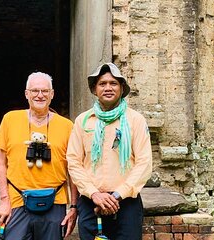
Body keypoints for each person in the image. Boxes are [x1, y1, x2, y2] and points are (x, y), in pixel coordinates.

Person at [66, 62, 152, 240]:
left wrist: (117, 196)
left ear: (122, 88)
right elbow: (74, 162)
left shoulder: (135, 120)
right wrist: (94, 193)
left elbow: (144, 164)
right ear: (94, 89)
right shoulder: (83, 121)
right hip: (91, 202)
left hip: (126, 203)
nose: (108, 88)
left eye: (113, 83)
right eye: (102, 84)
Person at [0, 71, 79, 240]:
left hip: (55, 201)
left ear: (52, 94)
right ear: (27, 94)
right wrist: (4, 200)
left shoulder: (67, 126)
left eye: (45, 91)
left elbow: (73, 168)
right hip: (17, 200)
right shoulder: (10, 119)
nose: (40, 95)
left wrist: (74, 207)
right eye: (35, 91)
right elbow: (1, 162)